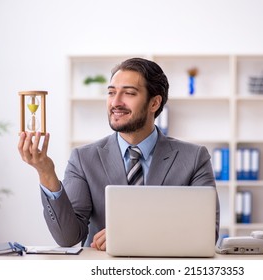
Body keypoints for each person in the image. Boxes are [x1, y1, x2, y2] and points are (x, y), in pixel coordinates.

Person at [18, 57, 220, 251]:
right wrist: (46, 173)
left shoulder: (194, 158)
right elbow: (68, 237)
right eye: (111, 92)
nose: (116, 102)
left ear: (154, 103)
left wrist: (133, 233)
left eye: (129, 93)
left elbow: (207, 233)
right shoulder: (83, 159)